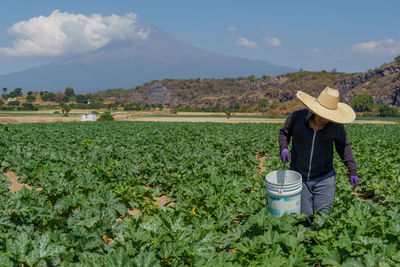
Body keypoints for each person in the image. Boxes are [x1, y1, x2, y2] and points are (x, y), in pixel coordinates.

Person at [278, 86, 359, 215]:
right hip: (300, 178)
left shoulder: (336, 126)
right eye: (321, 115)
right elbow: (284, 133)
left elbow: (344, 147)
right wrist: (284, 148)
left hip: (324, 178)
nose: (324, 119)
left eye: (328, 116)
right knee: (306, 217)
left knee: (322, 217)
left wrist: (352, 170)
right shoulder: (296, 118)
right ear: (313, 109)